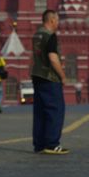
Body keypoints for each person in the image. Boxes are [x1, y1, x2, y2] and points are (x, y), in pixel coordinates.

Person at [31, 9, 69, 155]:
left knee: (40, 111)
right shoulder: (50, 36)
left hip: (37, 76)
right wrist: (63, 76)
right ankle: (52, 144)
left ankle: (39, 144)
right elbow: (53, 58)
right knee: (55, 110)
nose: (58, 24)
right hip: (50, 78)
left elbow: (34, 57)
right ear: (52, 20)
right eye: (57, 21)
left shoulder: (37, 35)